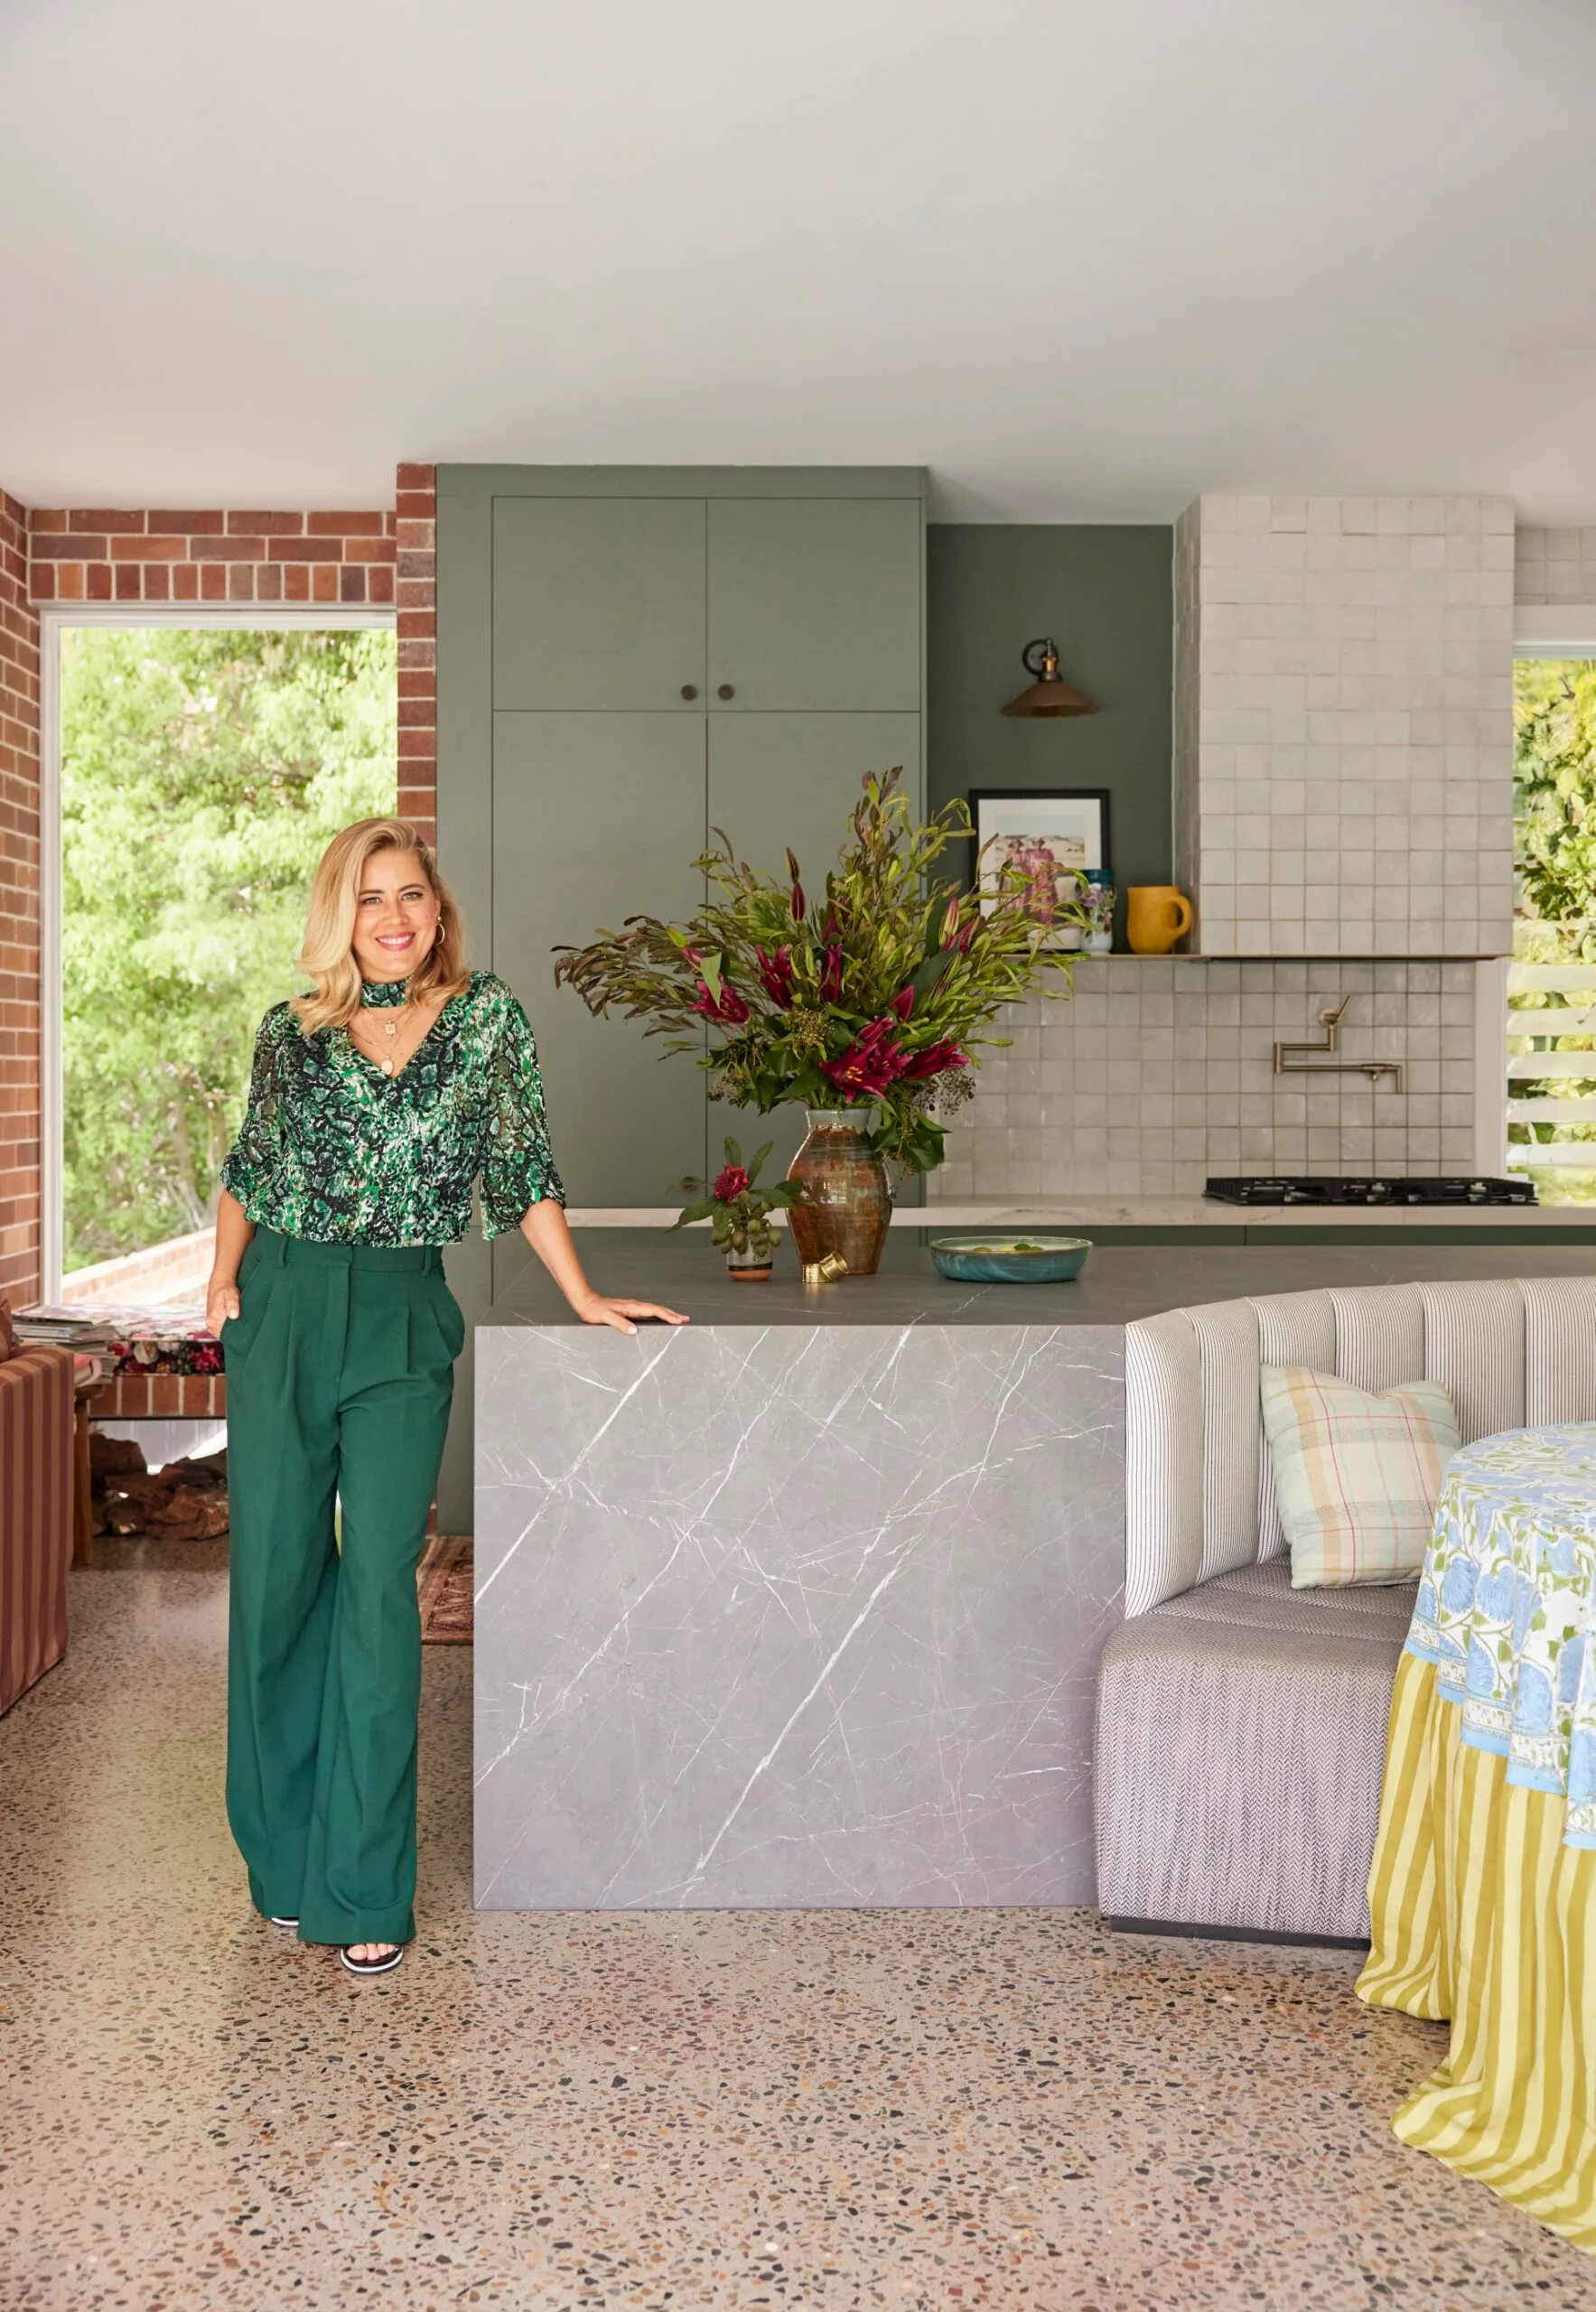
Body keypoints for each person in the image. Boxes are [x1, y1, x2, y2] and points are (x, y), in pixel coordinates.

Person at [208, 816, 686, 1976]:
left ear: (437, 909)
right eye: (370, 898)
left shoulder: (486, 1023)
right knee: (276, 1578)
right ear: (341, 915)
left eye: (410, 894)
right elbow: (250, 1166)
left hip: (402, 1317)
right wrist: (221, 1279)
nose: (393, 917)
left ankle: (363, 1883)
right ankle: (281, 1853)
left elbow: (522, 1165)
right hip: (281, 1300)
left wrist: (580, 1293)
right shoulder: (292, 1034)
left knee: (379, 1586)